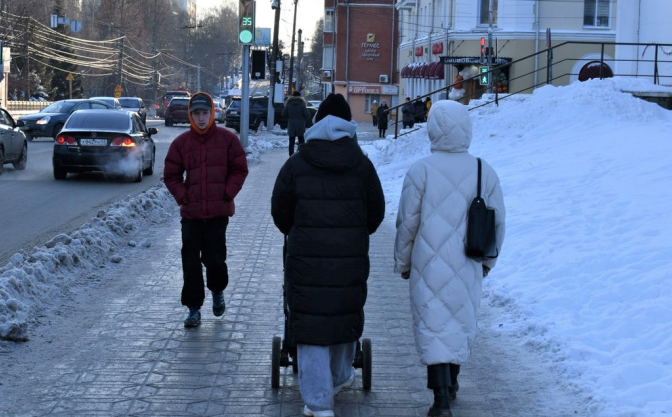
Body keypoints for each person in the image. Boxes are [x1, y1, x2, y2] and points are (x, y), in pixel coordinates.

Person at [271, 93, 385, 417]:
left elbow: (280, 214)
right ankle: (340, 378)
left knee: (309, 327)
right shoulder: (362, 165)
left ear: (316, 122)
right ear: (348, 124)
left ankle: (319, 403)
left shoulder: (296, 164)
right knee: (343, 317)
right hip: (349, 262)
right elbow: (376, 214)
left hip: (306, 262)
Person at [393, 100, 506, 417]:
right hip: (468, 263)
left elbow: (407, 223)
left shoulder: (421, 170)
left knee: (433, 323)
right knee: (456, 319)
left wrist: (403, 263)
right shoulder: (484, 170)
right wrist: (487, 263)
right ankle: (452, 382)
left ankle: (441, 399)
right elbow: (497, 224)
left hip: (427, 264)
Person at [164, 91, 249, 328]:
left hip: (217, 213)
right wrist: (183, 196)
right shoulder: (181, 143)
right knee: (190, 262)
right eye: (197, 114)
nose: (201, 118)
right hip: (191, 214)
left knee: (214, 259)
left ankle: (217, 289)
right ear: (191, 116)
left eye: (205, 113)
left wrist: (227, 193)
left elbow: (240, 169)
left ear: (212, 113)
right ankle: (193, 308)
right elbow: (171, 175)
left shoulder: (227, 139)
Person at [282, 90, 309, 156]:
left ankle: (291, 155)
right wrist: (303, 119)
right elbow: (307, 114)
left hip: (291, 124)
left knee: (291, 141)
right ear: (300, 96)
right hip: (300, 124)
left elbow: (283, 114)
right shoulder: (302, 104)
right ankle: (301, 154)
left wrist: (289, 117)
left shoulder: (288, 104)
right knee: (301, 140)